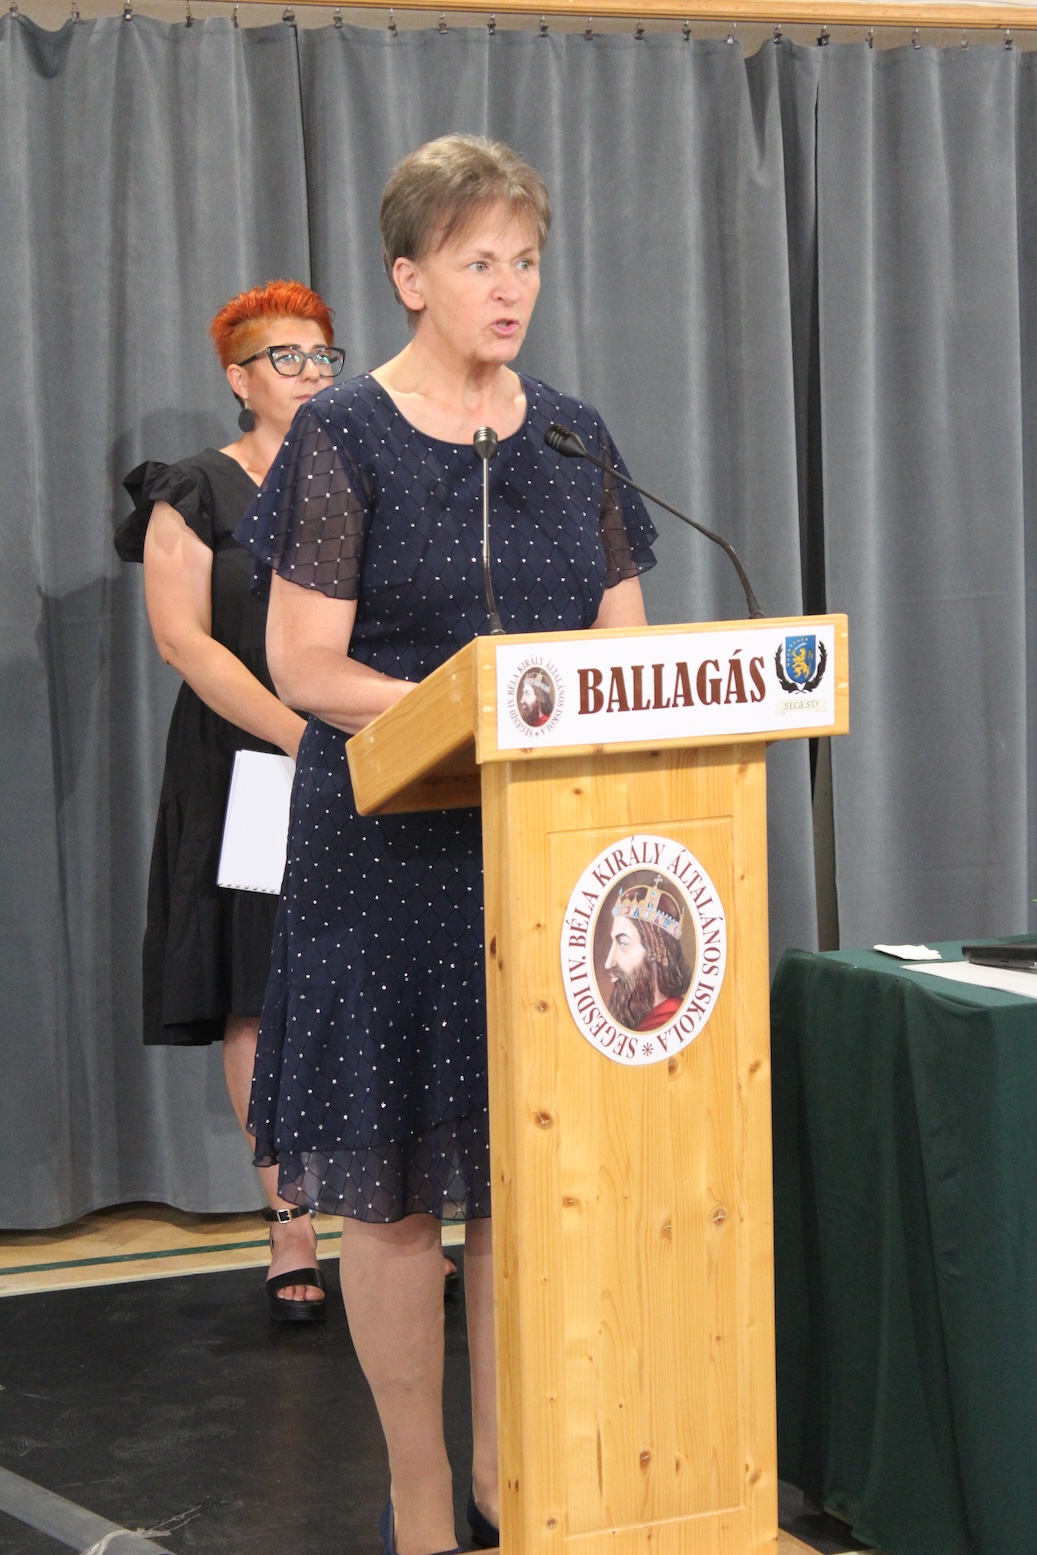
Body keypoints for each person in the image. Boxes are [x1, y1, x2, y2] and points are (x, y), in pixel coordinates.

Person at [235, 135, 658, 1555]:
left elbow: (625, 654)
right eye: (479, 261)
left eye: (524, 260)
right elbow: (305, 663)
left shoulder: (571, 434)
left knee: (525, 1182)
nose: (509, 287)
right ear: (410, 277)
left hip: (544, 858)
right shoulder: (343, 435)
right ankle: (419, 1487)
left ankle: (504, 1470)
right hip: (386, 856)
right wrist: (472, 702)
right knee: (397, 1192)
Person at [115, 280, 345, 1322]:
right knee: (260, 991)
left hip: (365, 756)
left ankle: (382, 1219)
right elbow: (184, 641)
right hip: (251, 760)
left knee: (364, 980)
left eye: (322, 356)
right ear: (238, 379)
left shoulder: (361, 477)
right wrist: (299, 736)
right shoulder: (197, 490)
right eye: (285, 358)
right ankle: (289, 1220)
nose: (309, 374)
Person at [604, 881, 692, 1031]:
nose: (608, 963)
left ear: (657, 949)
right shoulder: (636, 1021)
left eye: (623, 943)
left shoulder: (673, 1020)